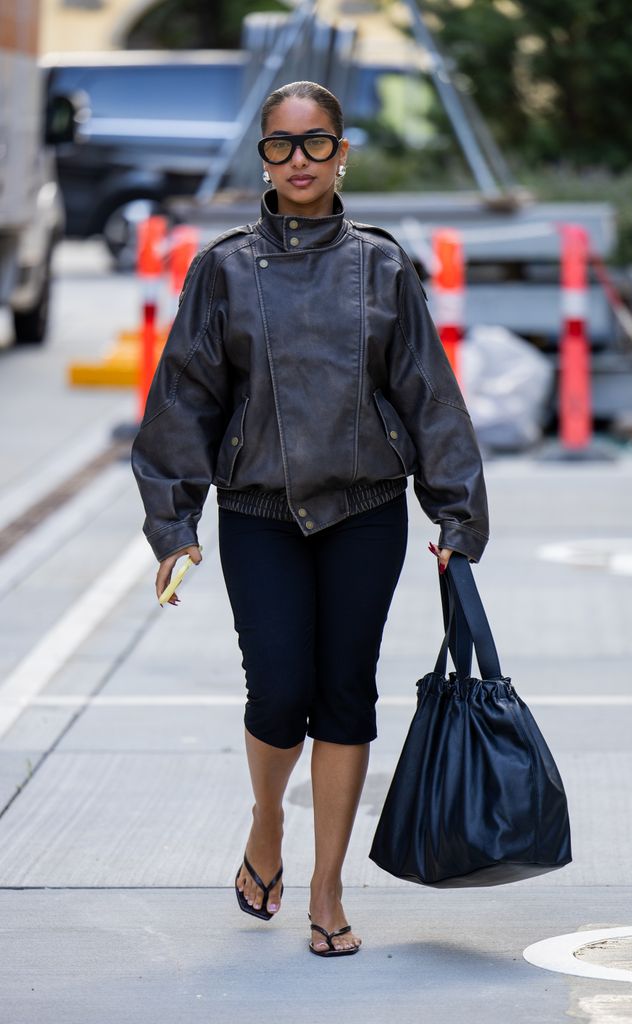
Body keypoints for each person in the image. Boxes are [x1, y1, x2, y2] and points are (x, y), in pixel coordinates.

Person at [131, 80, 489, 958]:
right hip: (256, 510)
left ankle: (326, 887)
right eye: (282, 146)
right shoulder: (222, 267)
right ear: (263, 155)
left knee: (345, 693)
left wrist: (456, 512)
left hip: (365, 508)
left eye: (316, 144)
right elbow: (183, 399)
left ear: (342, 153)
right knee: (279, 692)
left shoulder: (382, 265)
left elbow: (427, 392)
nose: (299, 162)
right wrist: (173, 529)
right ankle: (266, 824)